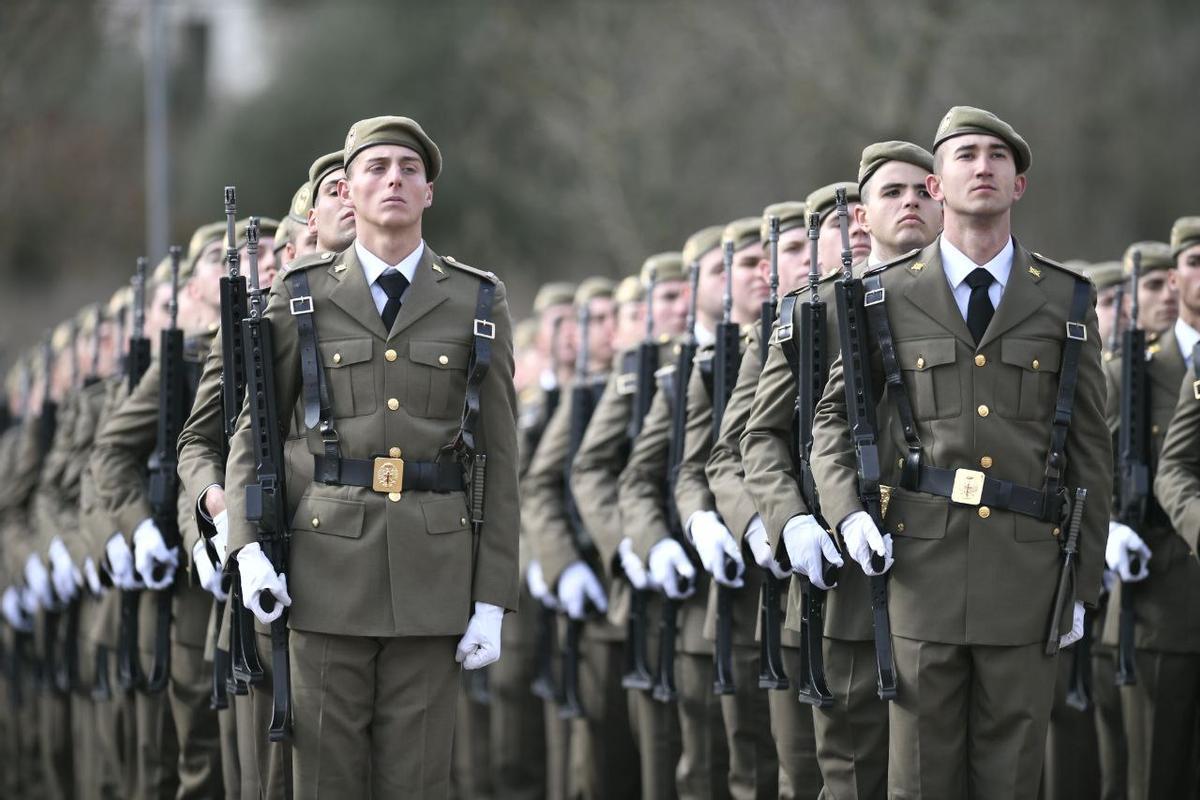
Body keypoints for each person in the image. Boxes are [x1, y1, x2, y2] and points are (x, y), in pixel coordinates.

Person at [808, 106, 1111, 798]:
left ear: (1019, 185)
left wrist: (1082, 586)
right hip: (920, 578)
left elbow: (1092, 449)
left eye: (999, 156)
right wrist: (847, 513)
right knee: (917, 783)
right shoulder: (884, 294)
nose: (983, 166)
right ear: (937, 185)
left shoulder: (1064, 298)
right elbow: (834, 421)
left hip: (1027, 577)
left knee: (1010, 782)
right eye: (966, 154)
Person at [221, 115, 520, 798]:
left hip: (434, 579)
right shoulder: (301, 292)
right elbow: (253, 430)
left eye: (409, 170)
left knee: (416, 782)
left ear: (429, 193)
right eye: (377, 167)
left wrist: (492, 597)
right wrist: (246, 547)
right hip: (325, 577)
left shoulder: (477, 298)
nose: (394, 179)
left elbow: (499, 456)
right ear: (347, 190)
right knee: (323, 780)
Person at [571, 252, 691, 799]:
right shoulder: (635, 373)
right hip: (643, 582)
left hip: (703, 583)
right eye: (666, 297)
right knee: (643, 758)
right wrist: (626, 544)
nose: (679, 305)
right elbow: (586, 468)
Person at [1125, 217, 1200, 800]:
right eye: (1195, 262)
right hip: (1167, 593)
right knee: (1160, 771)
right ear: (1174, 278)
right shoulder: (1137, 370)